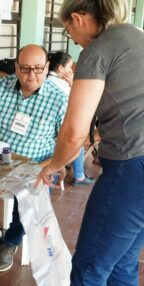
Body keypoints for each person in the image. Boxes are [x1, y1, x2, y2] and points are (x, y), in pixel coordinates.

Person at [36, 0, 144, 286]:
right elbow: (135, 109)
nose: (74, 41)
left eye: (69, 31)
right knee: (122, 262)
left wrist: (53, 165)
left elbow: (72, 133)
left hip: (137, 173)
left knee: (89, 271)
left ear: (78, 19)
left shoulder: (98, 51)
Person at [0, 44, 68, 272]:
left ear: (47, 68)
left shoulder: (59, 99)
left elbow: (67, 142)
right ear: (16, 67)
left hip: (36, 165)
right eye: (25, 68)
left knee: (32, 200)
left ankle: (11, 241)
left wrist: (56, 164)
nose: (31, 75)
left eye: (38, 69)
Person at [48, 51, 94, 186]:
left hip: (49, 130)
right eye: (69, 68)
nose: (71, 70)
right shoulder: (62, 85)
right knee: (77, 138)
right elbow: (79, 102)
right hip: (58, 133)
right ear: (61, 69)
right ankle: (79, 176)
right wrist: (73, 83)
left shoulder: (46, 79)